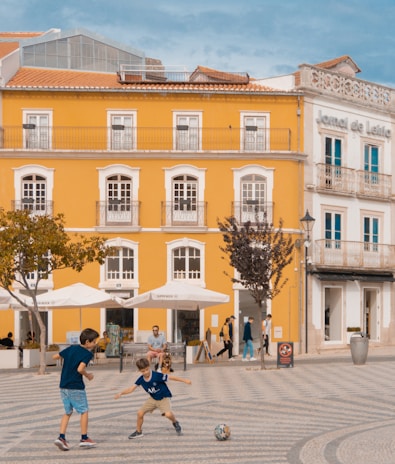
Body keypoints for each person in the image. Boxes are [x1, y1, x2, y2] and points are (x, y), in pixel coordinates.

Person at [114, 357, 192, 439]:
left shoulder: (156, 376)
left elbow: (170, 377)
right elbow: (131, 389)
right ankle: (138, 432)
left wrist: (185, 380)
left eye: (147, 369)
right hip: (153, 399)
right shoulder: (141, 379)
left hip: (164, 397)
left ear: (149, 366)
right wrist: (121, 393)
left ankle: (175, 422)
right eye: (143, 371)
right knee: (140, 413)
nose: (146, 372)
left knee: (168, 414)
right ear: (139, 371)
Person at [52, 327, 99, 451]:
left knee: (68, 412)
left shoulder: (71, 348)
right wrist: (88, 375)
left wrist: (67, 358)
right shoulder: (88, 354)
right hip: (76, 386)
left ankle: (61, 437)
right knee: (84, 411)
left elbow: (55, 357)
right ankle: (84, 438)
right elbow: (80, 369)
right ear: (88, 342)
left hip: (63, 386)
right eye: (94, 341)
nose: (95, 344)